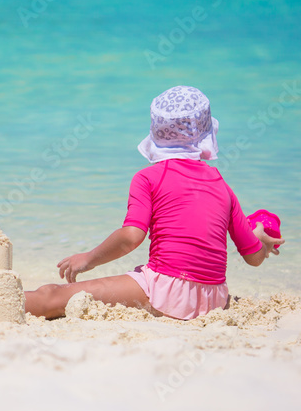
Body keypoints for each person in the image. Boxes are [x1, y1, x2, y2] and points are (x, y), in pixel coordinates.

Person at [25, 85, 284, 320]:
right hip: (213, 299)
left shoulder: (148, 177)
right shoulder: (222, 186)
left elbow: (131, 237)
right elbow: (253, 258)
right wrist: (260, 237)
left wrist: (88, 260)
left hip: (168, 291)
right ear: (206, 132)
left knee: (54, 296)